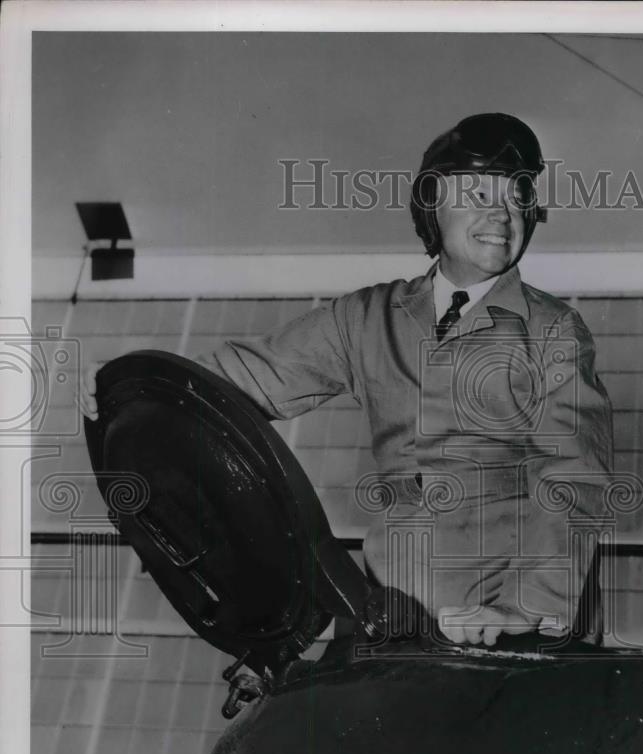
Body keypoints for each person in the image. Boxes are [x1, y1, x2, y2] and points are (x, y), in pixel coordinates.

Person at [80, 113, 613, 648]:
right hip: (385, 602)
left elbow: (575, 480)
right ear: (432, 208)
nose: (500, 214)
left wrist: (527, 610)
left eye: (517, 196)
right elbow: (240, 380)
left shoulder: (554, 329)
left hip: (508, 616)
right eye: (476, 193)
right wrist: (128, 389)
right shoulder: (366, 316)